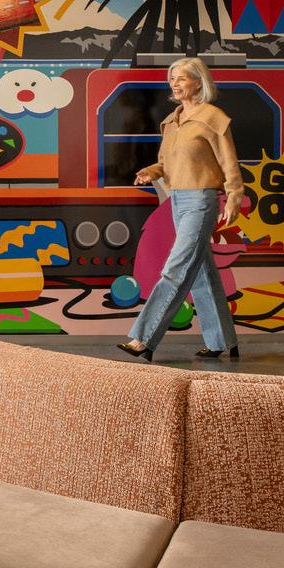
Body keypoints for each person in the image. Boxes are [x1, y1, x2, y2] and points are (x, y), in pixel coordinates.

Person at [117, 57, 244, 362]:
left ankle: (143, 338)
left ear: (199, 82)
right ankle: (222, 341)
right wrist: (151, 171)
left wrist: (235, 197)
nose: (175, 83)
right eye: (172, 78)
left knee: (176, 268)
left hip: (201, 200)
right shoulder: (171, 122)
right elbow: (167, 163)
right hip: (176, 200)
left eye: (182, 78)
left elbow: (229, 163)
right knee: (201, 272)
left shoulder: (213, 118)